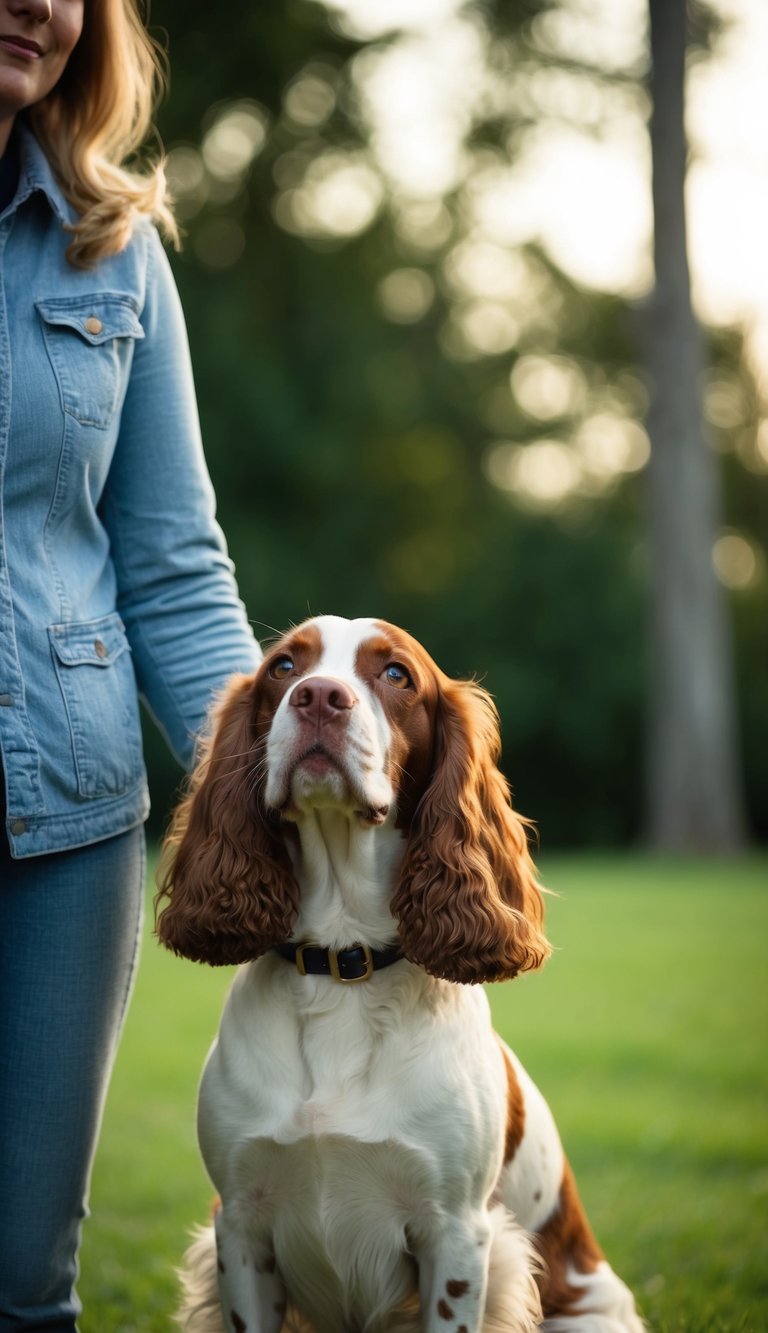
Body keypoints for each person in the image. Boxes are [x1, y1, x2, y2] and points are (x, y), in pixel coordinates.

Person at [0, 0, 263, 1325]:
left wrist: (285, 790)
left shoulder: (116, 250)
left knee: (22, 1280)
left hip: (66, 838)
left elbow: (171, 565)